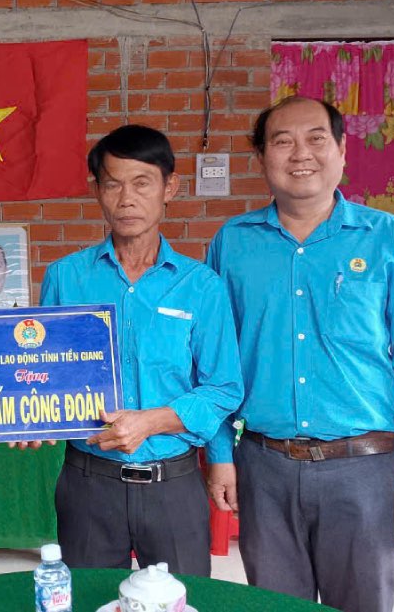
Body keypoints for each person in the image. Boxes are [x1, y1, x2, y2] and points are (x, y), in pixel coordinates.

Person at [206, 96, 394, 612]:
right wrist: (222, 455)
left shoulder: (391, 241)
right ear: (261, 158)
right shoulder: (233, 243)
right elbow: (216, 361)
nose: (301, 153)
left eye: (317, 138)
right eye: (282, 141)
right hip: (264, 467)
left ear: (342, 150)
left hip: (363, 468)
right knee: (276, 607)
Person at [40, 124, 243, 575]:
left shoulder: (200, 286)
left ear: (169, 187)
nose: (126, 198)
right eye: (113, 184)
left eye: (142, 183)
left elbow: (224, 387)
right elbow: (45, 373)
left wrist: (150, 422)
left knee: (179, 602)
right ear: (97, 190)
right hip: (88, 482)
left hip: (173, 483)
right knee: (89, 602)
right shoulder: (65, 278)